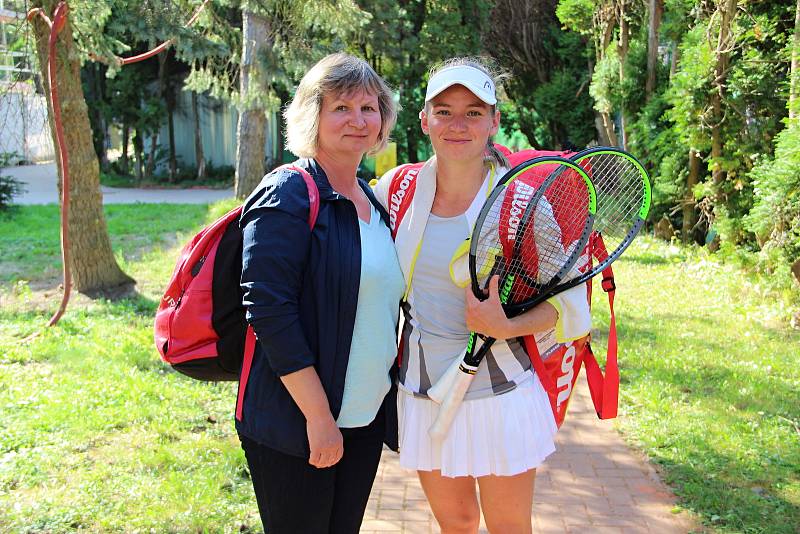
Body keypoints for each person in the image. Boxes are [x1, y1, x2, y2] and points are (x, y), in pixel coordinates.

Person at [373, 57, 592, 533]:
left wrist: (506, 326)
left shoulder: (523, 201)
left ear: (495, 121)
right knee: (457, 524)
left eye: (473, 112)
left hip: (500, 395)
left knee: (509, 528)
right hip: (422, 391)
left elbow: (571, 305)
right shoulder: (398, 190)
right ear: (424, 118)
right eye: (444, 110)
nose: (458, 124)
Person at [237, 52, 404, 534]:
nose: (358, 120)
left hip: (363, 417)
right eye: (341, 108)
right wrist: (318, 417)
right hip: (298, 425)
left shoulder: (372, 201)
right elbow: (269, 311)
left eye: (369, 108)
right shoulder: (287, 193)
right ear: (313, 116)